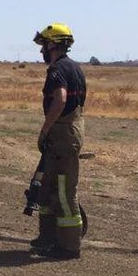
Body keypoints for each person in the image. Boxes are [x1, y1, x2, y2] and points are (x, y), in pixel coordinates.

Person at [32, 23, 87, 259]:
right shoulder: (74, 68)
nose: (42, 49)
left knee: (64, 192)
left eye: (44, 44)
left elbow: (61, 99)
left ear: (53, 44)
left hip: (62, 135)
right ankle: (48, 238)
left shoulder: (57, 70)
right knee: (49, 188)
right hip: (67, 133)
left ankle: (68, 247)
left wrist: (45, 130)